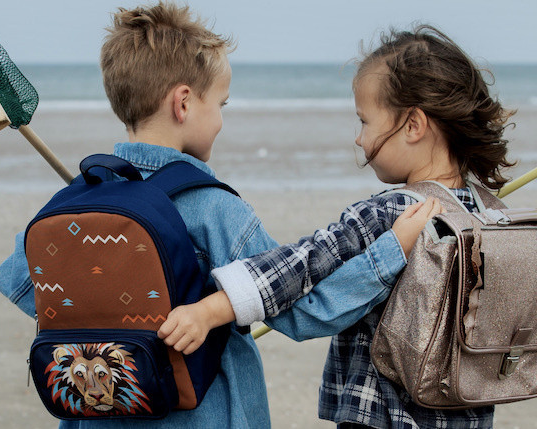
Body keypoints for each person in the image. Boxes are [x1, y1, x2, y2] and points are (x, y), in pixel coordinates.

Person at [0, 3, 432, 427]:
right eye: (220, 104)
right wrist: (390, 253)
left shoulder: (83, 199)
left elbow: (14, 277)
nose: (221, 120)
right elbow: (304, 311)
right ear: (183, 103)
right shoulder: (214, 207)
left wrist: (98, 307)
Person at [158, 25, 517, 428]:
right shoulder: (489, 216)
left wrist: (212, 309)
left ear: (413, 126)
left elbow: (302, 265)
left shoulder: (393, 211)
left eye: (365, 121)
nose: (360, 140)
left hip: (382, 416)